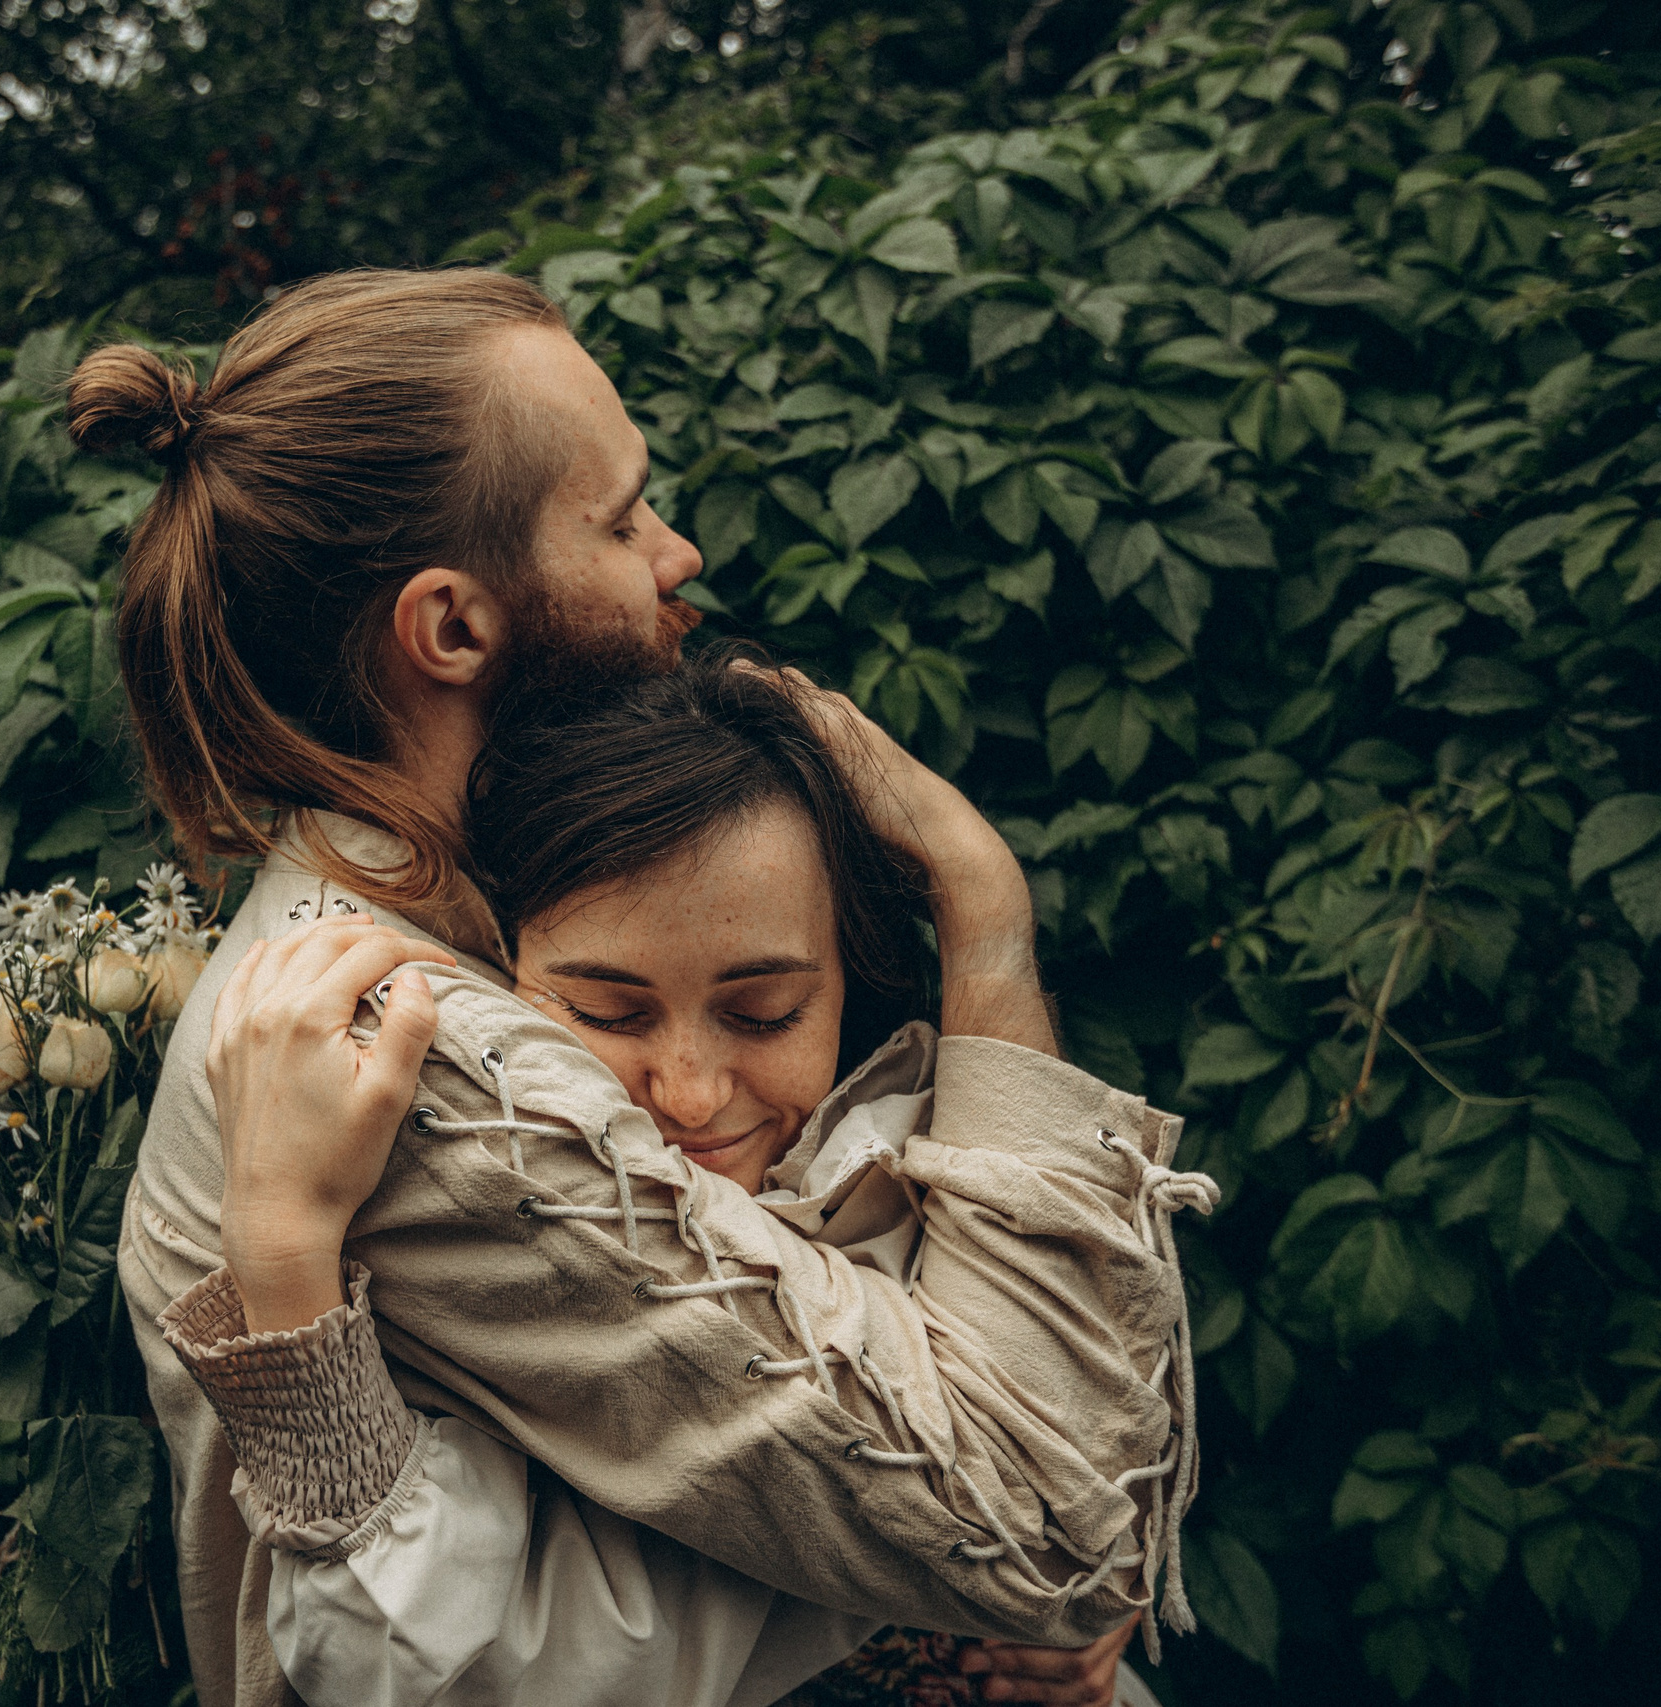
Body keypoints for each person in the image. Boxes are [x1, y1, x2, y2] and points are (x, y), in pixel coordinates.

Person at [70, 268, 1204, 1707]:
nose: (678, 553)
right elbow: (1041, 1518)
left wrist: (922, 1616)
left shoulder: (490, 908)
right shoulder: (422, 1057)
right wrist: (982, 914)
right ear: (452, 626)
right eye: (618, 519)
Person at [163, 656, 1203, 1706]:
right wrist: (284, 1259)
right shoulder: (503, 1226)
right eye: (609, 1014)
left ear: (848, 978)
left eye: (764, 1014)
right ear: (500, 969)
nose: (693, 1094)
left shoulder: (917, 1152)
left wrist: (978, 891)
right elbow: (387, 1668)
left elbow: (1086, 1487)